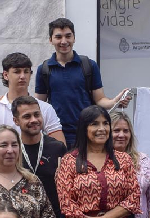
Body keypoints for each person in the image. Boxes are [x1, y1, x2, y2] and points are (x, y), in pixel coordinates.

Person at [34, 17, 130, 147]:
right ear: (51, 40)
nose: (64, 41)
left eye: (68, 36)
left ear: (74, 38)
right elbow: (39, 105)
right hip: (56, 134)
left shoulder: (89, 65)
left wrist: (114, 102)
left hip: (87, 133)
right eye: (58, 37)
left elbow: (99, 99)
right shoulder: (44, 69)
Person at [0, 52, 64, 141]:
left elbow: (60, 145)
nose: (22, 76)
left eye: (26, 72)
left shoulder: (45, 108)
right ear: (5, 75)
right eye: (17, 72)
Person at [13, 95, 68, 218]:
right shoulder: (11, 149)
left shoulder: (57, 148)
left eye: (37, 114)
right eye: (27, 116)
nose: (34, 120)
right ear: (16, 121)